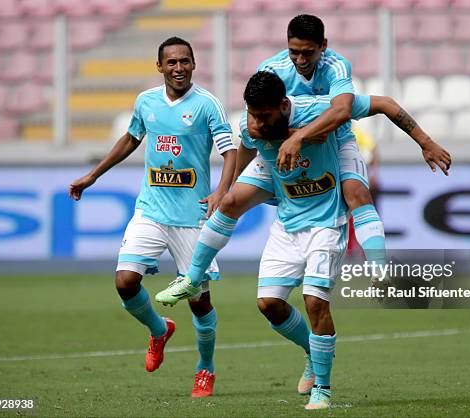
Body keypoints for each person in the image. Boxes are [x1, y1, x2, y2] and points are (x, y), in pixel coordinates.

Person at [156, 71, 452, 409]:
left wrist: (425, 141)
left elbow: (383, 104)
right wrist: (225, 186)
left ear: (284, 105)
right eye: (252, 115)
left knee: (314, 300)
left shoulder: (321, 110)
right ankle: (197, 281)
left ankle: (322, 389)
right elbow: (248, 146)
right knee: (268, 302)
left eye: (264, 116)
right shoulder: (251, 127)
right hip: (288, 220)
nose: (257, 123)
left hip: (327, 223)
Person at [68, 36, 237, 398]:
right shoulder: (146, 102)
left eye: (185, 61)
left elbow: (230, 151)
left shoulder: (208, 105)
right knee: (125, 282)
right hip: (152, 210)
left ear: (194, 64)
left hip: (192, 218)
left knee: (199, 301)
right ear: (159, 67)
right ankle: (159, 329)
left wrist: (222, 191)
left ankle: (205, 369)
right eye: (171, 62)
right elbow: (131, 139)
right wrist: (93, 176)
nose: (179, 68)